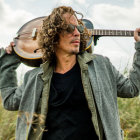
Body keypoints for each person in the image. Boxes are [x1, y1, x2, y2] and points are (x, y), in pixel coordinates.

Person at [0, 6, 140, 140]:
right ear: (53, 35)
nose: (77, 33)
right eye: (69, 28)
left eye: (79, 28)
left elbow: (132, 88)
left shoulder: (101, 66)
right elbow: (9, 101)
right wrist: (10, 58)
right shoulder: (34, 78)